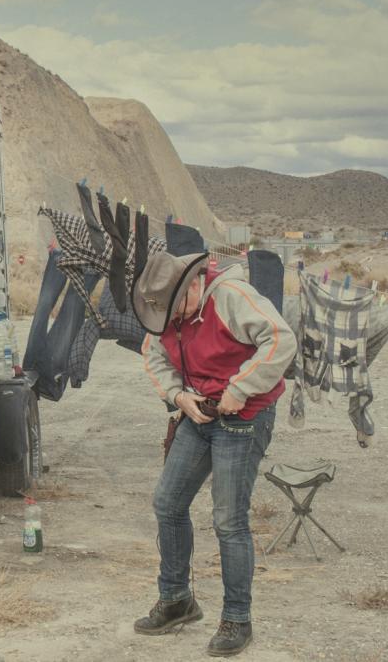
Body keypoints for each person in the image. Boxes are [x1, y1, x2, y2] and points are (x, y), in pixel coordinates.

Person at [131, 250, 297, 657]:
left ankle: (237, 619)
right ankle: (176, 600)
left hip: (245, 416)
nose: (169, 322)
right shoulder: (164, 307)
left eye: (176, 310)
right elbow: (153, 354)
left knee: (228, 519)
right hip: (199, 411)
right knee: (167, 503)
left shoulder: (231, 297)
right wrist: (178, 396)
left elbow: (280, 340)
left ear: (193, 285)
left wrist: (240, 389)